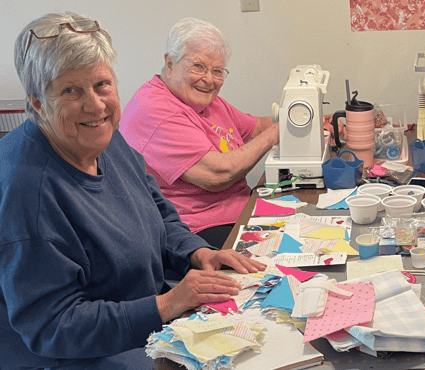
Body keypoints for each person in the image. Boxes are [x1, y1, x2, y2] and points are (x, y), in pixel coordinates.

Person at [1, 12, 265, 369]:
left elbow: (158, 211)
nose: (95, 105)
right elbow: (53, 327)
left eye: (102, 85)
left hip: (144, 317)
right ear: (37, 102)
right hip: (79, 353)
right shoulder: (27, 191)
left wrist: (197, 253)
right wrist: (167, 306)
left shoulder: (103, 137)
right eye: (70, 90)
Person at [119, 18, 279, 249]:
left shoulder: (205, 101)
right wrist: (276, 134)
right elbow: (217, 175)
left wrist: (304, 121)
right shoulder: (154, 109)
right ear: (170, 63)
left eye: (217, 71)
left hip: (238, 211)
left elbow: (257, 128)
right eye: (198, 67)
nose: (209, 80)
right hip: (196, 232)